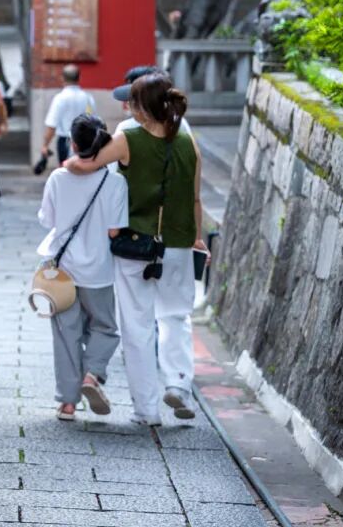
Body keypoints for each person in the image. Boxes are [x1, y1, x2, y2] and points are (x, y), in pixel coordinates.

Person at [66, 73, 207, 425]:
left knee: (138, 326)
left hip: (136, 246)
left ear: (141, 107)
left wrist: (69, 165)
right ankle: (179, 384)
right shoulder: (189, 142)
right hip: (179, 243)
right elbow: (195, 198)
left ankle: (147, 409)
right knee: (176, 317)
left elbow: (88, 164)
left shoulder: (128, 138)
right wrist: (196, 237)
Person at [38, 115, 128, 421]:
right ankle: (92, 373)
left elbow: (47, 220)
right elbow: (114, 230)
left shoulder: (57, 178)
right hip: (98, 271)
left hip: (62, 269)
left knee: (66, 334)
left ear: (73, 144)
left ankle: (67, 403)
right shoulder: (115, 182)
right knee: (106, 328)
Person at [42, 64, 96, 164]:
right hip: (85, 142)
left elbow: (51, 125)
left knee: (65, 170)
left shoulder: (60, 98)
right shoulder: (88, 98)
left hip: (65, 142)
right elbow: (93, 121)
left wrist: (45, 145)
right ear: (79, 78)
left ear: (62, 78)